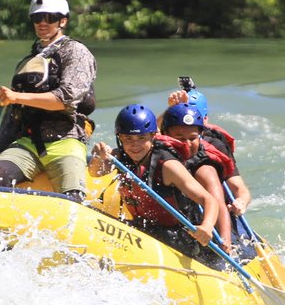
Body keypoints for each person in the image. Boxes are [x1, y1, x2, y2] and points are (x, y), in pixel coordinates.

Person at [0, 0, 97, 200]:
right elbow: (13, 117)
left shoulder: (76, 52)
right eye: (37, 18)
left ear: (63, 21)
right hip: (29, 142)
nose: (42, 22)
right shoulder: (28, 62)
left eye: (50, 17)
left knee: (73, 196)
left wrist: (17, 96)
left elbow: (65, 99)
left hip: (66, 140)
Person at [87, 104, 219, 263]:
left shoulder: (168, 166)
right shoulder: (119, 157)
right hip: (143, 228)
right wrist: (98, 158)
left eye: (141, 138)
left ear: (152, 136)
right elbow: (95, 173)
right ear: (119, 138)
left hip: (177, 236)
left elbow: (209, 200)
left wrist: (207, 226)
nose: (134, 145)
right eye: (128, 138)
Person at [160, 78, 252, 217]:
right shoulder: (166, 138)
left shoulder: (216, 144)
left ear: (205, 120)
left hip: (211, 205)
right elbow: (150, 134)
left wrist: (241, 202)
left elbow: (239, 187)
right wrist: (170, 109)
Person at [160, 101, 241, 251]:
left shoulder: (204, 170)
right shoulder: (159, 153)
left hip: (201, 227)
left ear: (200, 137)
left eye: (192, 138)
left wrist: (225, 242)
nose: (187, 144)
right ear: (165, 136)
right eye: (180, 138)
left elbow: (219, 204)